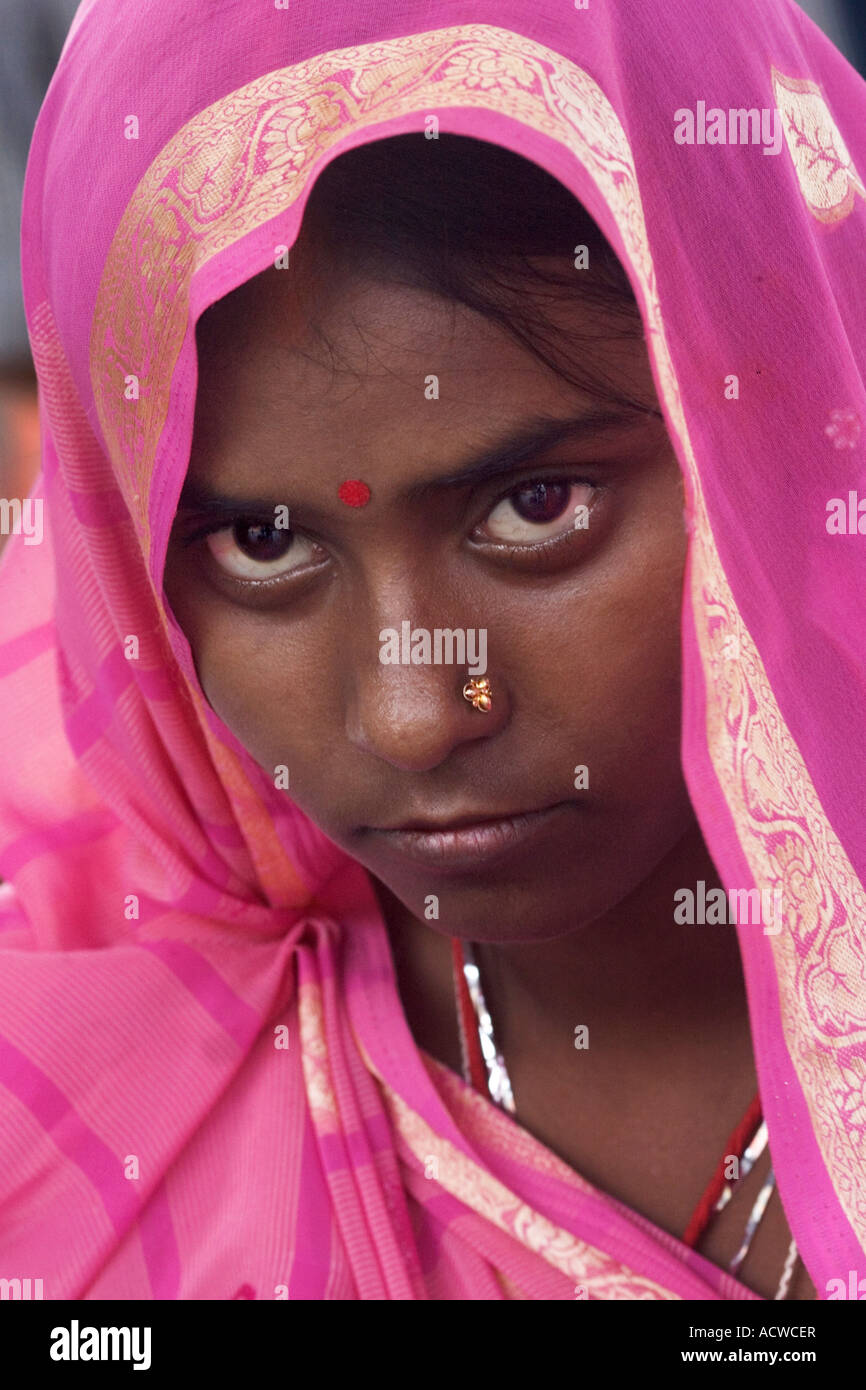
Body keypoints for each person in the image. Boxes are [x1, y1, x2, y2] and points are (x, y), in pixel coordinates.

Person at [0, 0, 864, 1302]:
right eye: (262, 541)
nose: (411, 715)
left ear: (785, 436)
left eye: (533, 509)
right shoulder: (80, 1046)